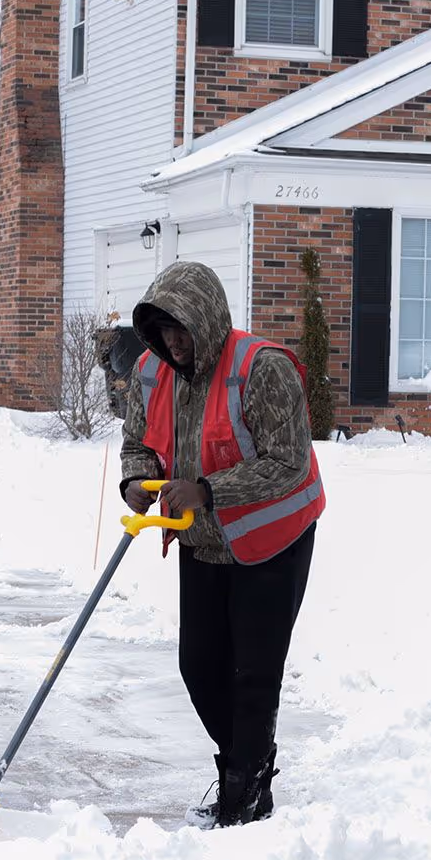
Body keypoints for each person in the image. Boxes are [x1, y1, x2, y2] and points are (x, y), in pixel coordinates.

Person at [120, 261, 325, 828]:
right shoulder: (150, 371)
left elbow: (290, 462)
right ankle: (249, 762)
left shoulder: (262, 369)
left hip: (275, 538)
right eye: (163, 331)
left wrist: (208, 490)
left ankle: (243, 794)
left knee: (253, 671)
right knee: (200, 666)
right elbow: (137, 442)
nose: (174, 342)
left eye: (182, 329)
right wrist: (137, 479)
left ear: (208, 320)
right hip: (203, 540)